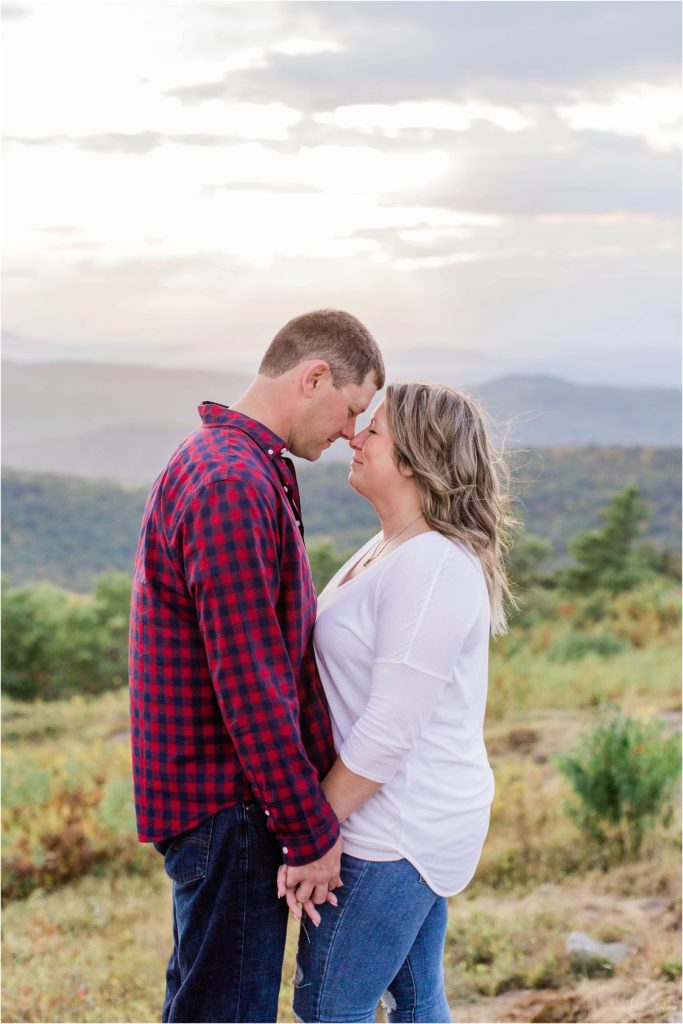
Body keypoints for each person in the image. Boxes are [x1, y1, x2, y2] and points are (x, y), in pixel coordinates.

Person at [128, 309, 384, 1023]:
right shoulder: (232, 484)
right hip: (229, 808)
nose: (348, 434)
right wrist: (309, 832)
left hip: (224, 807)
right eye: (351, 410)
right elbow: (250, 685)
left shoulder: (231, 465)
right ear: (314, 377)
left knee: (206, 1002)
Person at [279, 381, 514, 1024]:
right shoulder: (392, 546)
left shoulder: (432, 564)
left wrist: (311, 834)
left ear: (412, 456)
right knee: (415, 998)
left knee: (330, 1009)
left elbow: (389, 731)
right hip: (394, 816)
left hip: (397, 829)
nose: (355, 436)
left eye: (373, 430)